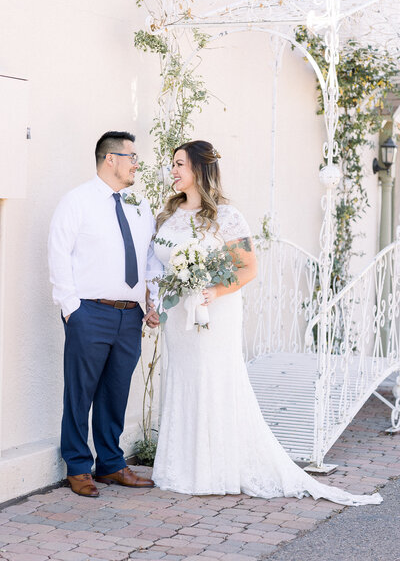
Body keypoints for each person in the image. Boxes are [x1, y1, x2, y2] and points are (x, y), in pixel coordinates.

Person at [151, 140, 382, 506]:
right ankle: (180, 467)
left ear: (199, 169)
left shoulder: (226, 217)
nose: (173, 171)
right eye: (173, 165)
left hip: (215, 312)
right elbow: (157, 267)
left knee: (213, 383)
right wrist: (156, 301)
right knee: (183, 380)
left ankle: (213, 470)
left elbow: (248, 268)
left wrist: (214, 290)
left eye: (180, 164)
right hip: (177, 318)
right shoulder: (167, 215)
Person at [48, 131, 161, 497]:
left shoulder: (139, 206)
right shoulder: (77, 201)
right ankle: (78, 466)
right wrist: (71, 309)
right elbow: (59, 253)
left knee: (116, 392)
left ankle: (111, 464)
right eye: (131, 157)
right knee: (80, 393)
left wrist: (151, 299)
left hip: (129, 316)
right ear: (109, 158)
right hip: (89, 313)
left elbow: (147, 257)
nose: (136, 164)